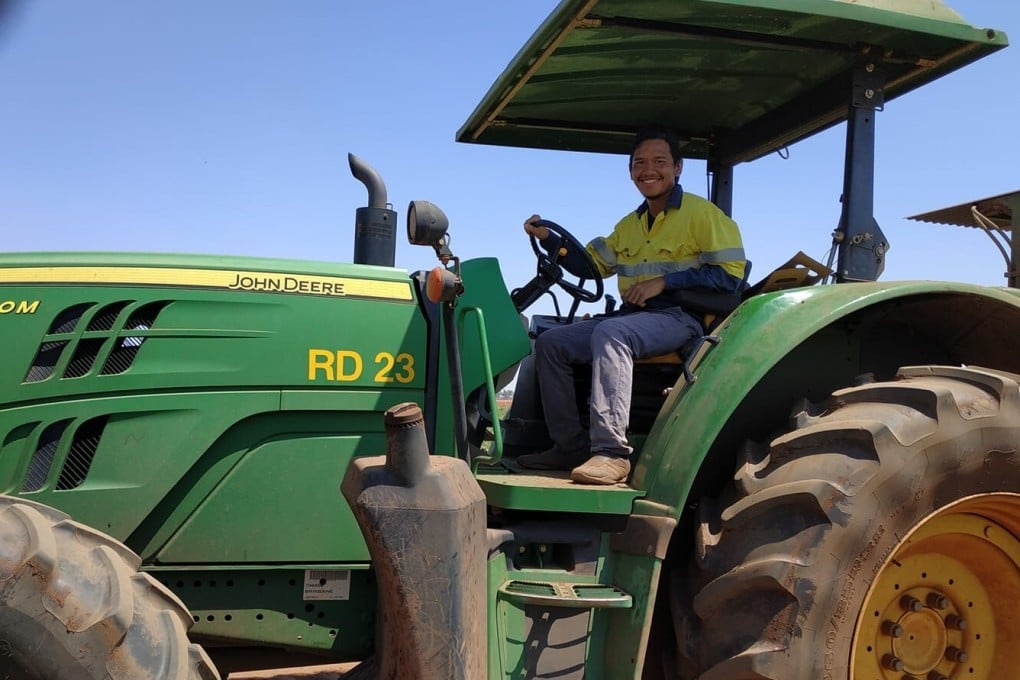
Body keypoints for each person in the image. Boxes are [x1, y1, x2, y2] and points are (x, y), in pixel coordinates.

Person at [517, 125, 746, 485]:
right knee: (551, 343)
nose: (648, 170)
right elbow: (589, 265)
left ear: (678, 168)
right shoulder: (630, 225)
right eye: (640, 162)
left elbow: (730, 278)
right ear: (630, 170)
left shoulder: (702, 215)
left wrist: (665, 282)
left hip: (679, 317)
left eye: (659, 161)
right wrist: (549, 240)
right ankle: (569, 447)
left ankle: (611, 453)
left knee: (611, 331)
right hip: (634, 318)